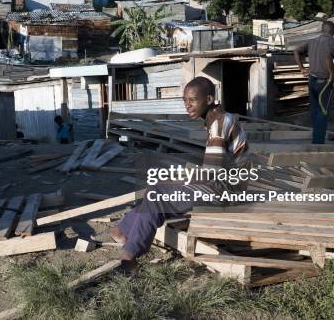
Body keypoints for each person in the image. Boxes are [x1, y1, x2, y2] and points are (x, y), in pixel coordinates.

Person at [107, 77, 250, 273]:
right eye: (184, 100)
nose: (187, 105)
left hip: (226, 192)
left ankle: (129, 255)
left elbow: (211, 174)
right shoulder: (217, 119)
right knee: (157, 190)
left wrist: (179, 180)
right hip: (222, 184)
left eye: (192, 100)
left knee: (158, 195)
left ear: (209, 99)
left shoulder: (219, 124)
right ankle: (122, 232)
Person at [293, 20, 334, 144]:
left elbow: (296, 51)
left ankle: (316, 137)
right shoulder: (333, 42)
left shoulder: (312, 42)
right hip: (324, 82)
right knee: (323, 111)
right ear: (333, 31)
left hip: (311, 80)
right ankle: (317, 142)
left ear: (322, 30)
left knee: (314, 110)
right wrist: (331, 74)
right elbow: (328, 56)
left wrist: (302, 69)